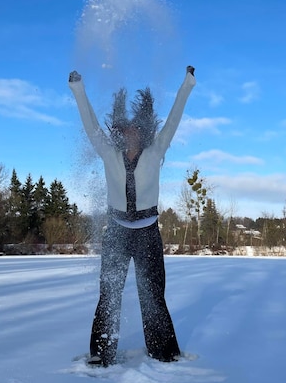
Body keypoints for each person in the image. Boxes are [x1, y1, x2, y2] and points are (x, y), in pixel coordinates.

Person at [69, 65, 196, 366]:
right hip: (116, 232)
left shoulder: (156, 151)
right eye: (125, 129)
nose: (130, 133)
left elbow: (175, 119)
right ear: (120, 131)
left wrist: (187, 85)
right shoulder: (108, 153)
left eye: (136, 128)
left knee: (152, 295)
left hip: (148, 232)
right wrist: (78, 90)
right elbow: (91, 127)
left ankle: (163, 353)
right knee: (109, 294)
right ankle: (102, 354)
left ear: (145, 129)